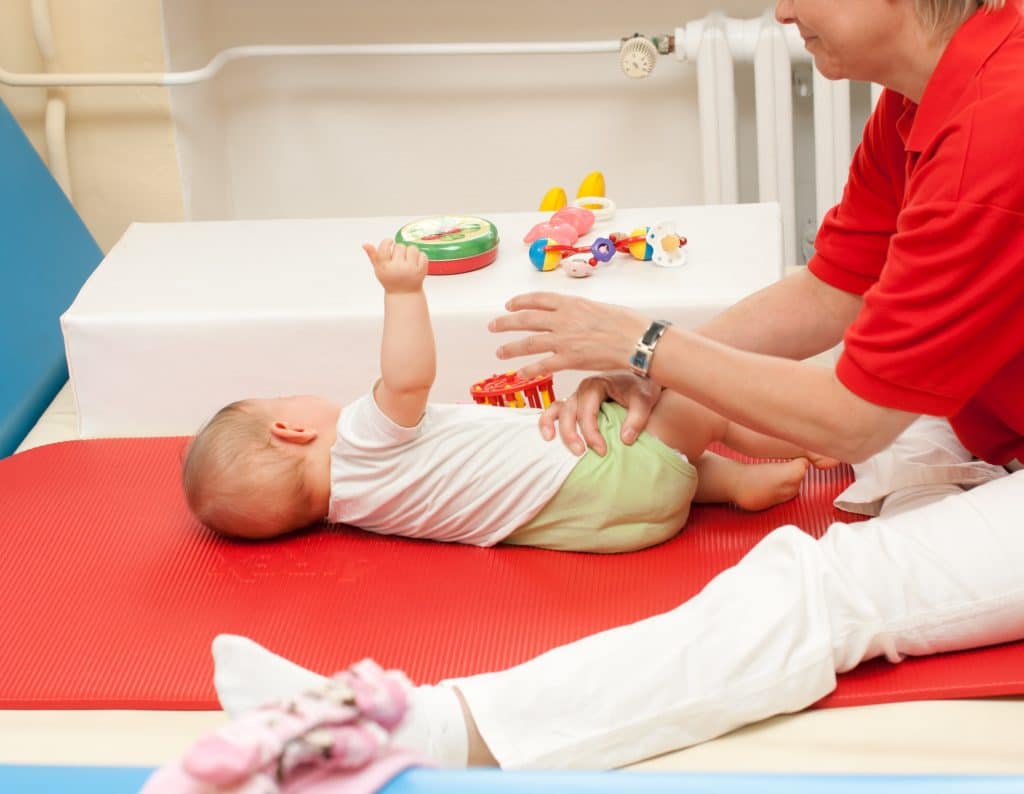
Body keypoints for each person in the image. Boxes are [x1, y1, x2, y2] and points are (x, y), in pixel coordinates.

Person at [208, 0, 1024, 774]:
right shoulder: (920, 103)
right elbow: (831, 291)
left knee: (823, 586)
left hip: (942, 427)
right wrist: (638, 365)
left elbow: (855, 420)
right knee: (820, 432)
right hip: (982, 418)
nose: (779, 12)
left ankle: (434, 730)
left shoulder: (993, 130)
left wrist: (646, 345)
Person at [182, 238, 831, 551]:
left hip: (604, 524)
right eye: (278, 401)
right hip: (608, 470)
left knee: (667, 448)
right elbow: (408, 381)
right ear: (291, 431)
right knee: (700, 395)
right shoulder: (357, 439)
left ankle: (723, 485)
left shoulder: (354, 505)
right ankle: (813, 431)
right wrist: (403, 294)